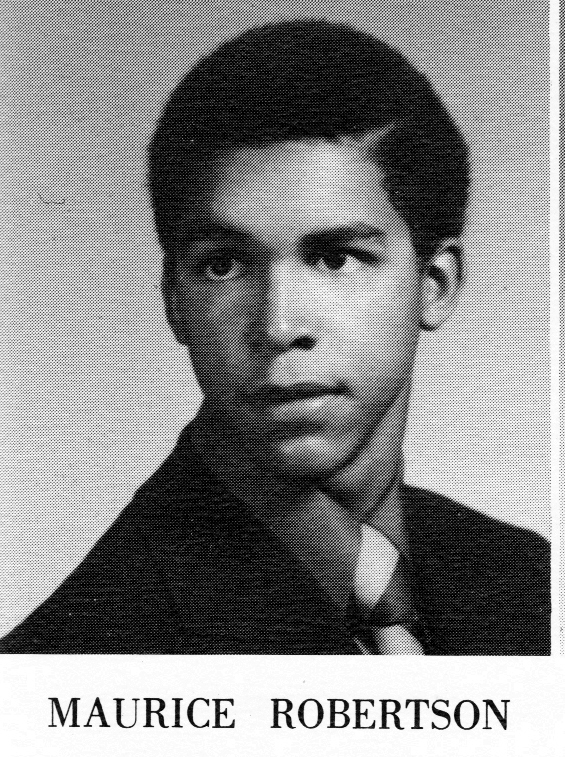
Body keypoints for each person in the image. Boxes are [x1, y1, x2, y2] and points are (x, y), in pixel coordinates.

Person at [0, 19, 549, 655]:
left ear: (435, 284)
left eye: (335, 258)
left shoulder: (531, 583)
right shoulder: (69, 656)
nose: (278, 325)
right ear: (175, 299)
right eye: (224, 265)